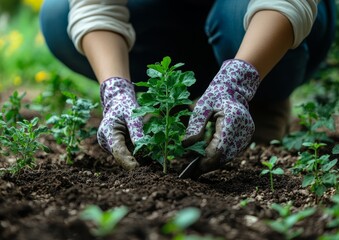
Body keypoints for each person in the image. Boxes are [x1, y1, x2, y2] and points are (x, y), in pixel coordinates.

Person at [39, 0, 336, 177]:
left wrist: (239, 82)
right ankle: (177, 105)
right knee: (57, 15)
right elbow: (97, 8)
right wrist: (115, 91)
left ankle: (265, 97)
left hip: (257, 15)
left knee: (235, 17)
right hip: (173, 17)